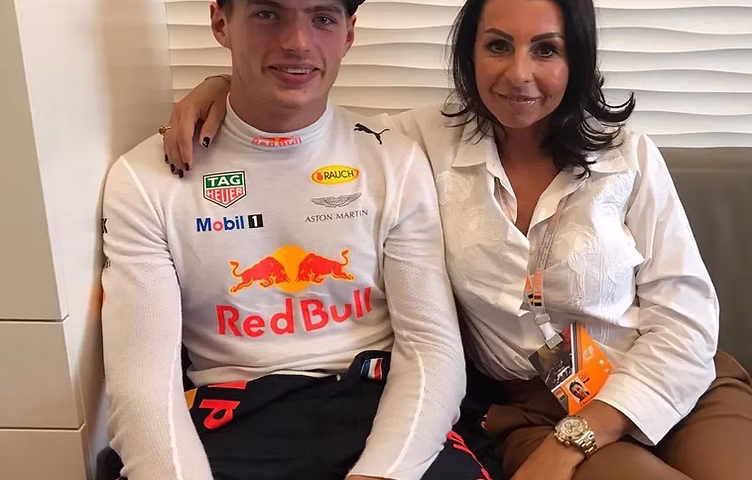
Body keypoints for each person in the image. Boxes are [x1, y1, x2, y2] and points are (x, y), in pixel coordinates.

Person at [165, 0, 752, 480]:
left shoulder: (628, 154)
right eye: (498, 45)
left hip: (679, 383)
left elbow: (687, 320)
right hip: (535, 413)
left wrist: (583, 434)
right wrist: (222, 86)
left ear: (577, 58)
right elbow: (304, 121)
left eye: (546, 49)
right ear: (469, 53)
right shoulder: (418, 142)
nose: (518, 73)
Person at [101, 1, 492, 479]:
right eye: (268, 14)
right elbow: (142, 381)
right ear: (221, 24)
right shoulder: (144, 179)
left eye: (322, 18)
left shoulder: (395, 159)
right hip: (229, 421)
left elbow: (431, 346)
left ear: (348, 34)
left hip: (377, 406)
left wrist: (380, 474)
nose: (297, 42)